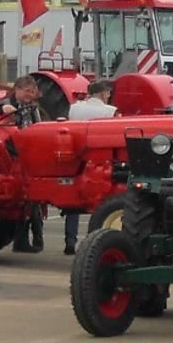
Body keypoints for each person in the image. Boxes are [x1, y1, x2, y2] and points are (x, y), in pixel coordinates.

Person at [62, 80, 118, 255]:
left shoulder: (74, 108)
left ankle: (70, 242)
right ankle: (95, 242)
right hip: (100, 162)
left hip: (76, 159)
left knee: (73, 204)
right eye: (108, 93)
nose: (109, 96)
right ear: (103, 93)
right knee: (101, 205)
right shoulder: (110, 111)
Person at [0, 75, 44, 252]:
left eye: (32, 91)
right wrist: (2, 107)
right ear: (18, 90)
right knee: (24, 200)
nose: (30, 94)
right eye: (27, 91)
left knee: (33, 201)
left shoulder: (33, 108)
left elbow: (38, 127)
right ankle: (22, 241)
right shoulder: (8, 103)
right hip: (12, 154)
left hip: (29, 153)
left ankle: (36, 240)